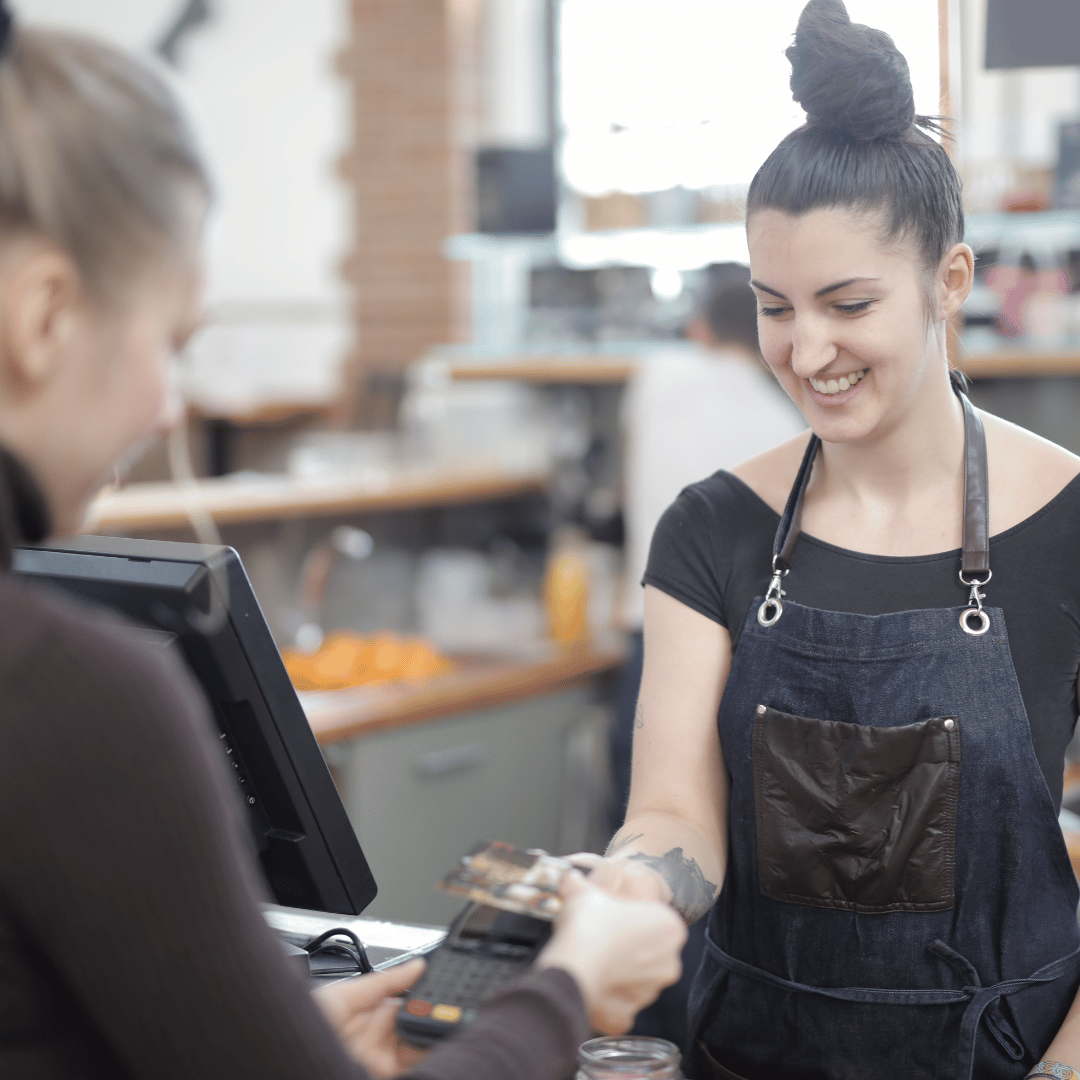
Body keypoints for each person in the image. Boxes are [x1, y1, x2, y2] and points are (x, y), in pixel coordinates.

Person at [0, 12, 687, 1080]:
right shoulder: (76, 699)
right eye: (173, 345)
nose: (167, 404)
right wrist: (568, 991)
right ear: (45, 318)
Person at [579, 2, 1080, 1078]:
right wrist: (633, 883)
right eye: (774, 307)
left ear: (950, 282)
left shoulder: (1070, 524)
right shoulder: (712, 529)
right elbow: (672, 810)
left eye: (849, 304)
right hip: (754, 1053)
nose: (808, 353)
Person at [609, 265, 804, 1051]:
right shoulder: (779, 418)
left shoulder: (655, 377)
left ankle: (652, 1035)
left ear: (697, 327)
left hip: (648, 639)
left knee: (656, 847)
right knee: (720, 853)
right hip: (764, 660)